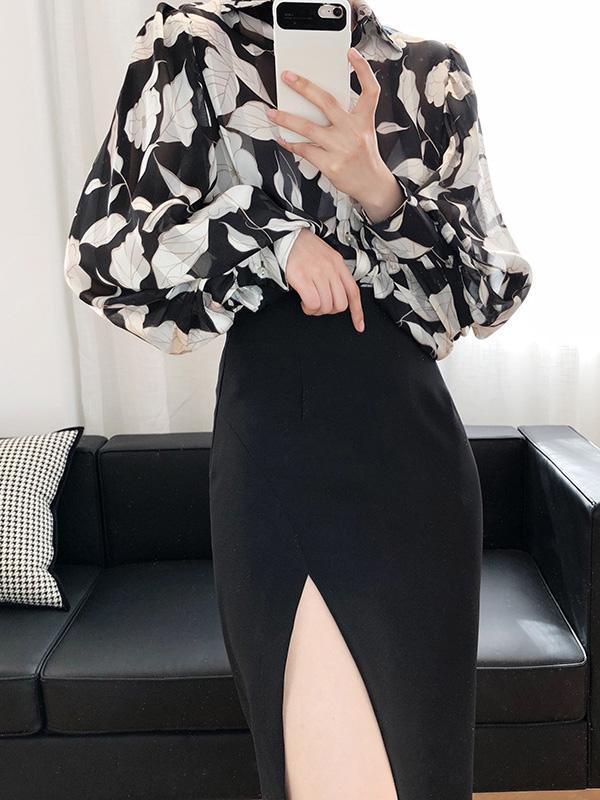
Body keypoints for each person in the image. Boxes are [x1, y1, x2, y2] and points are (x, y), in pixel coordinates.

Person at [64, 1, 533, 798]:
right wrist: (272, 238)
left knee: (426, 772)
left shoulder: (432, 72)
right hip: (280, 446)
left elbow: (485, 295)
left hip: (415, 459)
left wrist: (381, 194)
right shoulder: (191, 46)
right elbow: (104, 253)